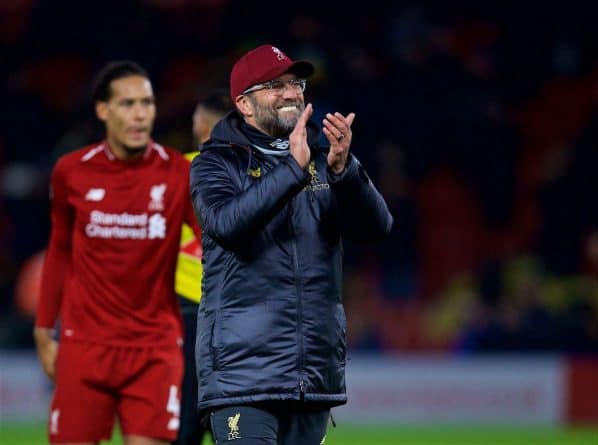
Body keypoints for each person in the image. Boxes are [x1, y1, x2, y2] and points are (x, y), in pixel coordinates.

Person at [190, 44, 393, 444]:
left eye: (296, 84)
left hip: (310, 375)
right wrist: (291, 170)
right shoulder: (215, 163)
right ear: (244, 105)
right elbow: (227, 225)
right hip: (242, 377)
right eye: (274, 85)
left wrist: (344, 170)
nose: (291, 93)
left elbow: (377, 228)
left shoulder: (322, 158)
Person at [33, 60, 201, 445]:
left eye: (147, 103)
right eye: (127, 104)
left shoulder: (178, 173)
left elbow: (216, 246)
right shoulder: (71, 172)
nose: (140, 114)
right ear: (103, 110)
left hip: (154, 349)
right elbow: (59, 253)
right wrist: (44, 331)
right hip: (85, 347)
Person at [173, 89, 230, 445]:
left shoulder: (178, 170)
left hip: (188, 312)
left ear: (201, 124)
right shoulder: (251, 172)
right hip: (235, 313)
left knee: (186, 420)